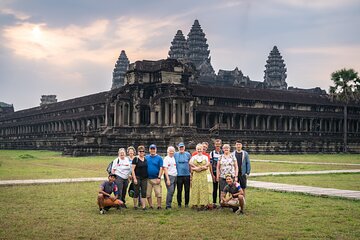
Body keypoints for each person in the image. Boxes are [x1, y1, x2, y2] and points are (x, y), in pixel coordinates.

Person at [189, 143, 210, 210]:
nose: (199, 150)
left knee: (203, 189)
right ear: (196, 149)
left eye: (200, 149)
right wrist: (196, 168)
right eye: (198, 149)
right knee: (195, 189)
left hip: (203, 175)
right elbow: (190, 165)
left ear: (202, 149)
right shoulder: (194, 157)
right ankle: (195, 204)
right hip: (196, 175)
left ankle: (203, 204)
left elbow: (207, 166)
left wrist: (201, 168)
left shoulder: (205, 157)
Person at [145, 144, 164, 209]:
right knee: (148, 194)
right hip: (148, 178)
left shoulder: (159, 158)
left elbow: (161, 168)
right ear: (149, 150)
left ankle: (159, 206)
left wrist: (159, 177)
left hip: (156, 178)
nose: (152, 150)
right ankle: (151, 205)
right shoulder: (146, 157)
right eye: (151, 149)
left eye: (154, 149)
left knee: (158, 193)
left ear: (156, 150)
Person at [174, 142, 191, 208]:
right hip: (179, 175)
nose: (181, 148)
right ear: (178, 148)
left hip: (187, 175)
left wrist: (191, 173)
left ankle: (186, 203)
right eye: (180, 147)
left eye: (182, 147)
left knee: (187, 190)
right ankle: (179, 203)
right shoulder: (175, 154)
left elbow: (190, 164)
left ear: (184, 148)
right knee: (179, 190)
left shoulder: (188, 154)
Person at [131, 145, 148, 210]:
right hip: (137, 177)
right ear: (138, 152)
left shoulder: (145, 159)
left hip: (144, 178)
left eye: (143, 151)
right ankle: (135, 205)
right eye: (140, 151)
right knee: (136, 192)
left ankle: (144, 206)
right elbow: (132, 169)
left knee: (144, 192)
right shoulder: (135, 159)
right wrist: (134, 178)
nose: (141, 152)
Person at [209, 139, 223, 207]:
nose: (217, 146)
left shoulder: (223, 153)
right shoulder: (212, 153)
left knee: (221, 188)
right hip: (214, 172)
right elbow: (210, 165)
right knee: (215, 188)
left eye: (219, 145)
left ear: (221, 145)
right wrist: (212, 175)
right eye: (216, 145)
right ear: (214, 145)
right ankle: (214, 202)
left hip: (222, 173)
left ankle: (221, 202)